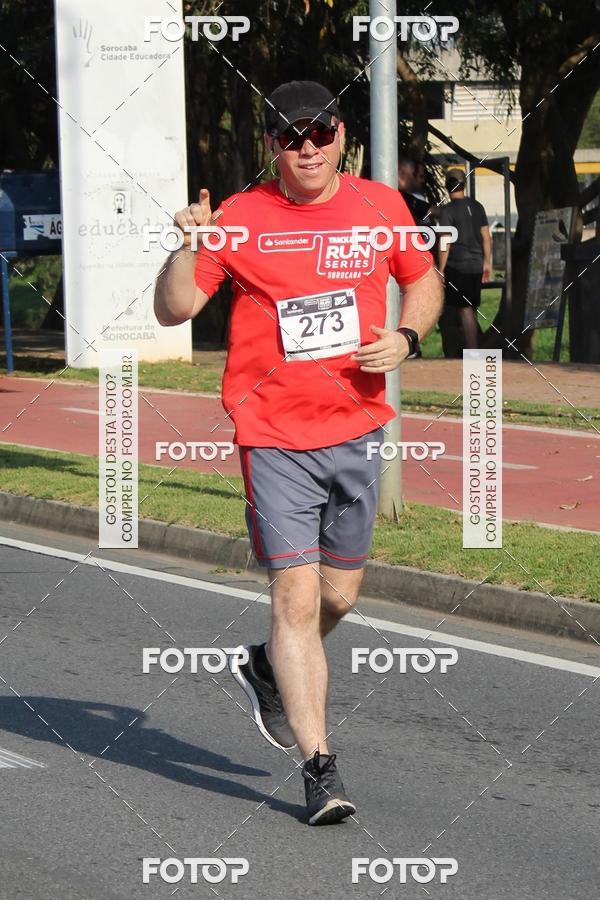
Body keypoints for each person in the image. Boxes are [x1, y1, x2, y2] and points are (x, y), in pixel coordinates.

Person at [153, 80, 443, 826]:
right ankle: (320, 768)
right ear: (272, 146)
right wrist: (186, 247)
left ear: (341, 134)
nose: (306, 148)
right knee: (295, 598)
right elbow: (177, 308)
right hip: (273, 435)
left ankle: (267, 666)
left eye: (318, 132)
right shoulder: (240, 218)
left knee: (338, 599)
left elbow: (424, 281)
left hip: (356, 429)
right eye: (291, 136)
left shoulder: (381, 205)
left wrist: (406, 337)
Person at [436, 167, 492, 349]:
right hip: (476, 265)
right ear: (464, 185)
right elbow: (486, 237)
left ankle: (473, 352)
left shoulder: (447, 211)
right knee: (470, 308)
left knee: (465, 310)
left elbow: (445, 241)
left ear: (446, 186)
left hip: (457, 267)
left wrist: (441, 269)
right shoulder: (478, 206)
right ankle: (472, 347)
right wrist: (486, 263)